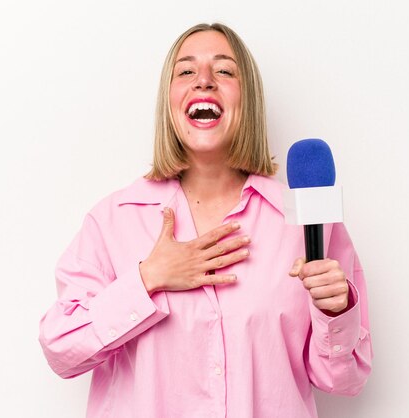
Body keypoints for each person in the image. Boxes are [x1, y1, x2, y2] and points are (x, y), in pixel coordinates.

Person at [39, 23, 372, 417]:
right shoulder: (112, 221)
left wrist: (336, 310)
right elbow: (61, 350)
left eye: (225, 71)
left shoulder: (305, 221)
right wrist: (147, 279)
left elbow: (343, 381)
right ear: (170, 99)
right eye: (186, 71)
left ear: (246, 98)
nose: (204, 82)